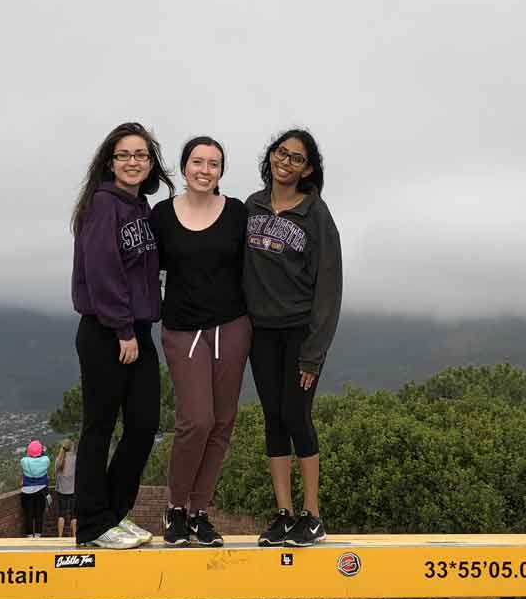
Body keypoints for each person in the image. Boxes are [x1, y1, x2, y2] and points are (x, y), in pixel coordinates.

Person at [71, 121, 173, 549]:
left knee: (144, 423)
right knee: (99, 426)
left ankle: (114, 515)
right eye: (124, 155)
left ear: (151, 163)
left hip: (137, 331)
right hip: (108, 331)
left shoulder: (142, 209)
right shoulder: (102, 205)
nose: (133, 162)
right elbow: (102, 271)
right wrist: (122, 330)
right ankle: (92, 525)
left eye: (141, 156)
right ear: (110, 162)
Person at [151, 136, 252, 547]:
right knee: (196, 420)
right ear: (184, 167)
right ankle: (175, 508)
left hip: (232, 327)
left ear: (221, 172)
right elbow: (141, 270)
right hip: (182, 331)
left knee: (222, 423)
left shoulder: (237, 213)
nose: (204, 170)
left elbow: (256, 267)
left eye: (213, 164)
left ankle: (199, 513)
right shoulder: (161, 215)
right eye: (197, 162)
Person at [244, 128, 342, 548]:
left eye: (296, 158)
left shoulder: (316, 214)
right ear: (270, 156)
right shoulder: (251, 206)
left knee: (297, 416)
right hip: (259, 332)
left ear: (309, 168)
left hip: (301, 334)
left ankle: (312, 514)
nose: (285, 161)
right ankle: (283, 513)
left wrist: (313, 355)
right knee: (273, 419)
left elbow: (329, 288)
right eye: (280, 153)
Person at [19, 439, 51, 538]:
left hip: (26, 491)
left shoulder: (24, 461)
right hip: (41, 491)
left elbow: (26, 458)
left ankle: (29, 535)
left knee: (28, 516)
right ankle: (37, 535)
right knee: (39, 515)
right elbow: (45, 456)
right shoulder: (46, 460)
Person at [51, 438, 77, 539]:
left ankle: (60, 536)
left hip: (61, 491)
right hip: (73, 490)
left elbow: (56, 475)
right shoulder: (75, 459)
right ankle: (74, 536)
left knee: (61, 514)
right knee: (73, 515)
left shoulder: (58, 460)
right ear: (71, 447)